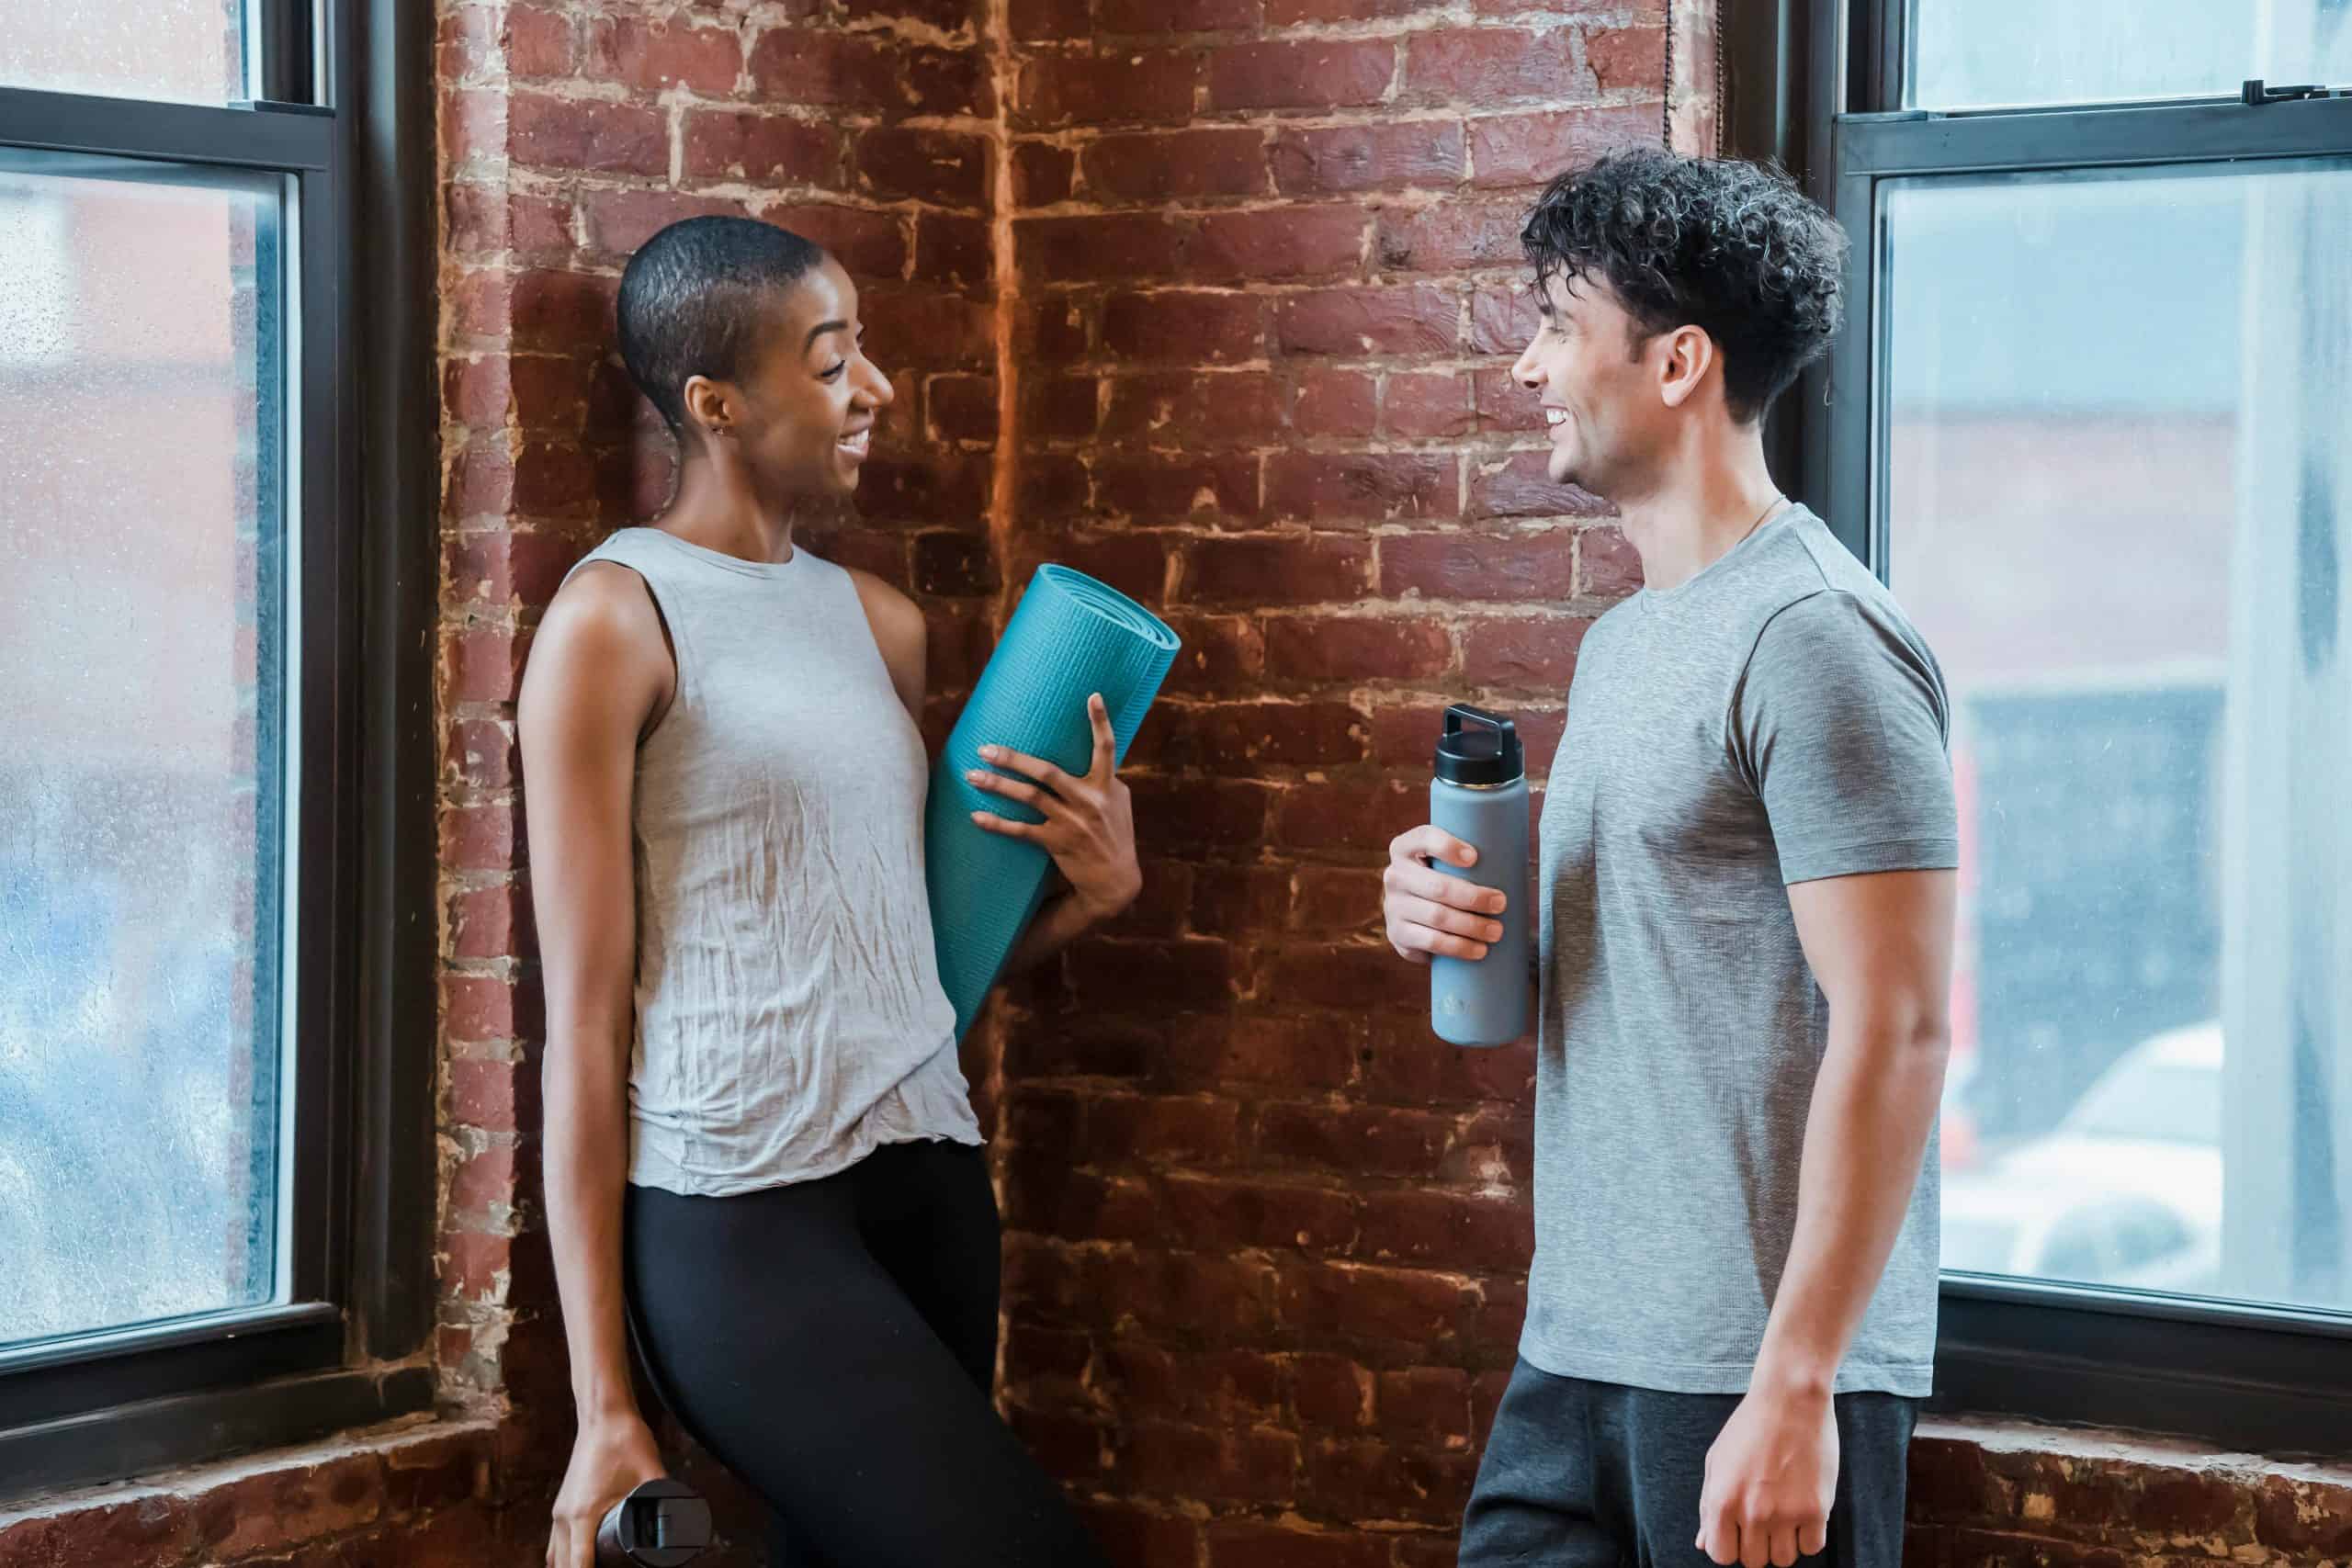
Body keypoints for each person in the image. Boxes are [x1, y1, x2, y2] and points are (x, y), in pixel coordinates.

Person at [519, 216, 1128, 1568]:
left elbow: (901, 959)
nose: (878, 391)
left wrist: (1087, 895)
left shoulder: (880, 621)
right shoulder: (616, 619)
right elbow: (583, 1027)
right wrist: (603, 1404)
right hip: (738, 1222)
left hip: (929, 1190)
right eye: (834, 359)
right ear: (716, 404)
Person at [1380, 149, 1959, 1568]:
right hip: (1580, 1338)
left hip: (1746, 1371)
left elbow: (1900, 1027)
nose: (1526, 369)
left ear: (1680, 361)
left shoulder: (1815, 639)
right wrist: (1453, 917)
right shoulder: (1627, 641)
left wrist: (1797, 1384)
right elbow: (1644, 968)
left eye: (1559, 327)